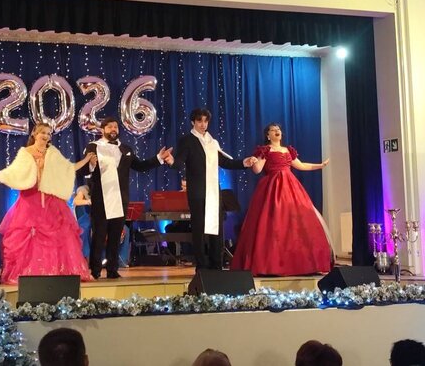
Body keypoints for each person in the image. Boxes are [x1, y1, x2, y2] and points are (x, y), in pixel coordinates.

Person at [0, 123, 95, 284]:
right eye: (43, 132)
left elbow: (69, 168)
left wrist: (86, 160)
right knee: (29, 236)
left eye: (49, 133)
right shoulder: (25, 152)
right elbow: (13, 171)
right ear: (34, 134)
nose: (46, 136)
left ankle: (57, 272)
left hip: (51, 200)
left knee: (58, 235)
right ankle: (29, 274)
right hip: (30, 200)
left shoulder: (53, 152)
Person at [230, 122, 333, 276]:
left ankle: (301, 262)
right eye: (273, 130)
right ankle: (271, 263)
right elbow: (257, 170)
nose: (277, 131)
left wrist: (320, 165)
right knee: (274, 221)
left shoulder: (288, 150)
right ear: (268, 135)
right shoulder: (265, 150)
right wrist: (254, 161)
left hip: (291, 187)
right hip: (273, 188)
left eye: (278, 129)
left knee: (296, 221)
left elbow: (301, 165)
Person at [76, 116, 173, 279]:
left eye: (115, 127)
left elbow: (140, 166)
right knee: (99, 235)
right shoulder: (93, 146)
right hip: (101, 198)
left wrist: (158, 159)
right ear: (102, 130)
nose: (113, 129)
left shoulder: (125, 148)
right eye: (109, 127)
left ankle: (113, 269)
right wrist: (91, 164)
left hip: (120, 198)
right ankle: (95, 270)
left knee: (116, 235)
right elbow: (82, 170)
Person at [165, 108, 256, 270]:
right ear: (193, 122)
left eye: (206, 121)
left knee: (217, 228)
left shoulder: (212, 142)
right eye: (199, 120)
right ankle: (201, 266)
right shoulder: (187, 140)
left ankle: (217, 265)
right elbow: (179, 162)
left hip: (214, 192)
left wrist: (244, 162)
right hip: (198, 192)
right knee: (199, 229)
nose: (203, 124)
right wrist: (171, 161)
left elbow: (225, 162)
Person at [73, 183, 131, 267]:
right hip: (88, 217)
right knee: (85, 229)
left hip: (104, 217)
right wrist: (89, 201)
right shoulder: (84, 189)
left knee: (125, 229)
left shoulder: (108, 189)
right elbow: (76, 201)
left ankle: (121, 259)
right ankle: (87, 258)